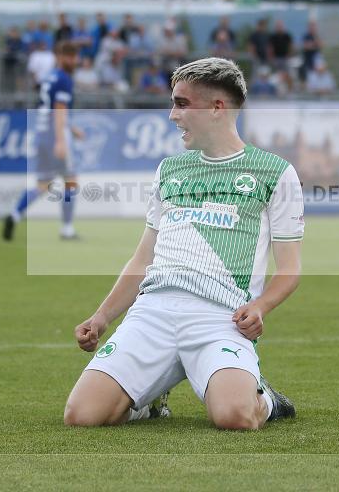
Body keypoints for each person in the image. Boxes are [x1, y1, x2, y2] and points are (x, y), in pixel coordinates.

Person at [63, 57, 302, 429]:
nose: (172, 115)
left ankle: (266, 398)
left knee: (235, 417)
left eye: (182, 103)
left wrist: (260, 307)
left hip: (220, 317)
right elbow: (144, 257)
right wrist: (102, 316)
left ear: (217, 108)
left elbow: (289, 269)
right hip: (153, 312)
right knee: (82, 416)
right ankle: (148, 397)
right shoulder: (169, 170)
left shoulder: (276, 173)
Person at [3, 41, 85, 241]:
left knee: (42, 185)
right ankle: (67, 229)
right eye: (69, 56)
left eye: (74, 56)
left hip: (41, 133)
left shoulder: (49, 77)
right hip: (54, 136)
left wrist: (72, 129)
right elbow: (59, 110)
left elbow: (50, 109)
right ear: (60, 57)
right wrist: (61, 140)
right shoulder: (64, 79)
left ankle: (14, 214)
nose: (73, 60)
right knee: (71, 181)